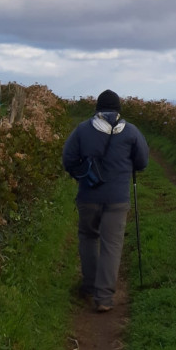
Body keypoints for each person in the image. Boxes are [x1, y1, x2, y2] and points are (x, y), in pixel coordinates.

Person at [62, 89, 149, 312]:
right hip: (118, 199)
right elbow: (142, 162)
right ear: (118, 110)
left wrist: (81, 174)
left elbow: (68, 159)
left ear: (97, 109)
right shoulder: (131, 132)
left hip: (89, 195)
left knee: (89, 237)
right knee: (112, 245)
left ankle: (89, 286)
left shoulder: (82, 129)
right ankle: (104, 298)